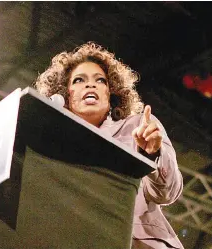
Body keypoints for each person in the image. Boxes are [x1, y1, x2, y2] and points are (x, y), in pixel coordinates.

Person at [34, 42, 184, 249]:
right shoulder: (52, 148)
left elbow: (168, 193)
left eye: (100, 80)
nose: (90, 85)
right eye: (79, 80)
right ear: (65, 94)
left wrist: (153, 155)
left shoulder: (137, 126)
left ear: (111, 94)